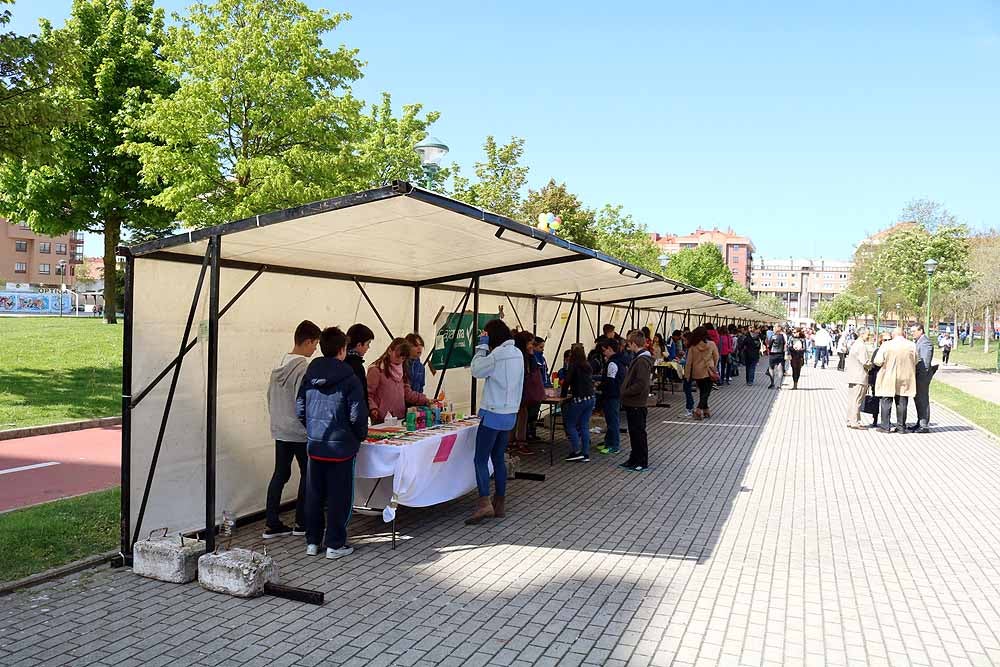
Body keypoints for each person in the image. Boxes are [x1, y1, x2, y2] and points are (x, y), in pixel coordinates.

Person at [296, 326, 367, 559]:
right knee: (340, 497)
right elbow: (357, 414)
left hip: (316, 446)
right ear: (342, 350)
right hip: (341, 449)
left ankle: (313, 542)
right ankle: (335, 544)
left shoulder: (309, 374)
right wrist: (358, 436)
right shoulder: (350, 378)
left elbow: (300, 408)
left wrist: (313, 430)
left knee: (315, 496)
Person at [263, 319, 321, 539]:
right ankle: (301, 522)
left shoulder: (278, 365)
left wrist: (278, 420)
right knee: (307, 475)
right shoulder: (303, 368)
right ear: (307, 342)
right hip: (299, 431)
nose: (315, 349)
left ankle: (271, 522)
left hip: (280, 429)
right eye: (315, 344)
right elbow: (303, 401)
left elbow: (269, 397)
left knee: (280, 474)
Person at [466, 319, 524, 525]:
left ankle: (484, 504)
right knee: (498, 457)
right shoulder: (518, 353)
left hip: (492, 413)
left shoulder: (497, 355)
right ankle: (500, 502)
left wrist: (482, 345)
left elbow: (476, 370)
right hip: (510, 414)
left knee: (480, 459)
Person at [367, 338, 429, 423]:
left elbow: (407, 393)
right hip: (382, 419)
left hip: (400, 418)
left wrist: (425, 399)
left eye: (403, 358)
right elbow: (368, 394)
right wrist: (373, 408)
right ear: (389, 351)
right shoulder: (376, 370)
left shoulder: (403, 369)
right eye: (397, 356)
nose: (399, 360)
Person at [619, 331, 654, 472]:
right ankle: (633, 458)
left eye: (629, 343)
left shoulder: (641, 361)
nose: (628, 346)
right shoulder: (639, 358)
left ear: (634, 343)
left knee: (638, 433)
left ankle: (641, 461)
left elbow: (641, 383)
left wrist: (625, 392)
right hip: (633, 402)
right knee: (633, 432)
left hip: (636, 403)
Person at [873, 327, 918, 433]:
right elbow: (915, 360)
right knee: (902, 401)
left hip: (889, 375)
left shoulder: (886, 345)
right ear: (903, 334)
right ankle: (901, 427)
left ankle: (885, 426)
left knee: (886, 401)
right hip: (905, 376)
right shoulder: (911, 345)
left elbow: (878, 361)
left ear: (893, 335)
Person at [561, 346, 596, 462]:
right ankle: (585, 453)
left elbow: (567, 382)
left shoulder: (573, 366)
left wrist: (563, 395)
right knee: (584, 425)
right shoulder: (587, 365)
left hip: (579, 399)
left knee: (570, 424)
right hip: (591, 398)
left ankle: (576, 451)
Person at [511, 331, 544, 455]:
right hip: (520, 392)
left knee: (518, 416)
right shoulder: (523, 357)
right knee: (521, 417)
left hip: (520, 392)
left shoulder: (521, 355)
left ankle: (513, 442)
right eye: (530, 343)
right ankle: (520, 442)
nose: (532, 346)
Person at [596, 338, 626, 454]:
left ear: (610, 349)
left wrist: (600, 386)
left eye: (604, 350)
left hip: (612, 395)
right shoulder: (619, 360)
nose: (604, 353)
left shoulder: (612, 363)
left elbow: (610, 381)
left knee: (612, 420)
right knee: (610, 420)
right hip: (614, 394)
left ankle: (614, 445)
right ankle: (608, 441)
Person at [685, 326, 720, 420]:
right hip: (709, 371)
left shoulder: (693, 346)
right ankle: (698, 410)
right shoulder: (712, 344)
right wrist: (714, 366)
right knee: (706, 392)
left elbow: (689, 362)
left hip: (697, 372)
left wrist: (687, 374)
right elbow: (716, 357)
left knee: (703, 391)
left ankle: (706, 410)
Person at [845, 328, 872, 429]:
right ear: (862, 334)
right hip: (859, 376)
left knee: (852, 400)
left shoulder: (855, 344)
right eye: (867, 334)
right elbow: (865, 361)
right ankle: (854, 421)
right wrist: (872, 365)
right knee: (857, 400)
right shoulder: (861, 346)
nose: (868, 336)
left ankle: (850, 419)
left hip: (853, 376)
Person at [909, 324, 934, 433]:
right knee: (918, 399)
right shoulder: (919, 341)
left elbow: (925, 362)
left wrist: (920, 374)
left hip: (922, 376)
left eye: (914, 331)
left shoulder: (925, 342)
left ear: (921, 330)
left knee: (922, 399)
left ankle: (924, 425)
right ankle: (920, 422)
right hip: (917, 375)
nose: (912, 333)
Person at [344, 323, 374, 413]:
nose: (368, 347)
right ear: (359, 345)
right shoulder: (355, 366)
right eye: (367, 344)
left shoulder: (342, 361)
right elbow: (359, 394)